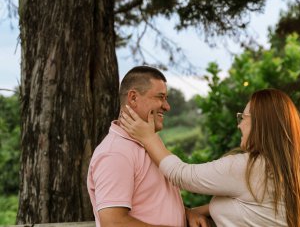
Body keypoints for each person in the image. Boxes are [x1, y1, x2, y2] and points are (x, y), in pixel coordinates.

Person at [120, 88, 300, 227]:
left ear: (261, 124)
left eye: (243, 117)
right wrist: (196, 211)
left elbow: (182, 175)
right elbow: (252, 204)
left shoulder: (247, 168)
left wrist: (148, 137)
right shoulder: (295, 171)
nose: (239, 125)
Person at [87, 66, 210, 227]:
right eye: (160, 97)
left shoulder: (148, 144)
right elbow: (113, 222)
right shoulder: (116, 153)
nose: (167, 106)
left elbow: (151, 201)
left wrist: (186, 213)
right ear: (133, 98)